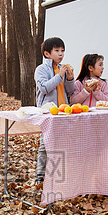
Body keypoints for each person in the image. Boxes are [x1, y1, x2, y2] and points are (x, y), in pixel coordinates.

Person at [35, 37, 75, 186]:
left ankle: (60, 176)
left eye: (63, 50)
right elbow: (44, 88)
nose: (61, 54)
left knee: (64, 144)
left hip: (64, 112)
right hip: (48, 112)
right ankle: (40, 176)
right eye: (57, 50)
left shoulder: (63, 68)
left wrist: (69, 79)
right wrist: (59, 76)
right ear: (47, 53)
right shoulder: (41, 69)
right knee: (45, 145)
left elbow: (70, 92)